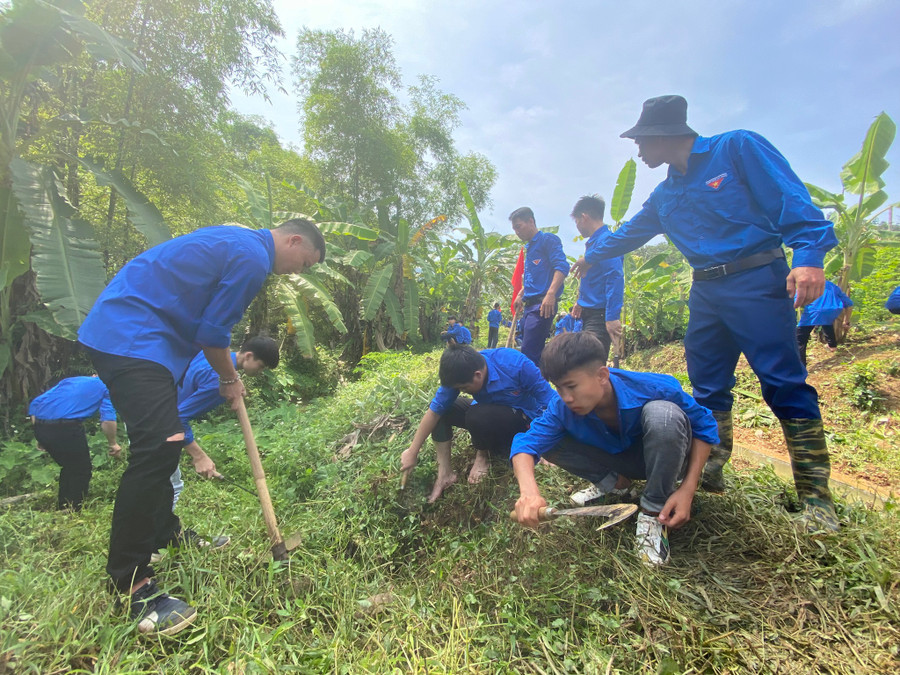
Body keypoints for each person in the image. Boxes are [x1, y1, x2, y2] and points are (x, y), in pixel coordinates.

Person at [571, 95, 840, 532]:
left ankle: (816, 500)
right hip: (706, 293)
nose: (638, 151)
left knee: (783, 381)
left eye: (640, 141)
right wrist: (590, 255)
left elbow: (791, 201)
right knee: (709, 386)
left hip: (756, 279)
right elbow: (627, 235)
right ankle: (710, 471)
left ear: (663, 135)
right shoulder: (664, 195)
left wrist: (809, 256)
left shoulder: (736, 148)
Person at [78, 218, 325, 635]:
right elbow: (213, 334)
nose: (297, 271)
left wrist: (228, 377)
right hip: (133, 334)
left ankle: (165, 533)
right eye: (304, 262)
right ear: (294, 240)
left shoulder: (239, 241)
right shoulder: (252, 257)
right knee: (162, 444)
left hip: (142, 338)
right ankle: (131, 584)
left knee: (165, 444)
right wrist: (229, 378)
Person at [510, 333, 718, 566]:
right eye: (559, 388)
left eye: (572, 386)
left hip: (663, 459)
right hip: (618, 459)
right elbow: (525, 445)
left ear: (601, 375)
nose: (566, 397)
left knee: (663, 414)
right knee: (549, 440)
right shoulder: (561, 408)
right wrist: (529, 493)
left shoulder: (654, 387)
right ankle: (616, 484)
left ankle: (653, 511)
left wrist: (688, 489)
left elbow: (706, 426)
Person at [153, 336, 281, 562]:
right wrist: (198, 455)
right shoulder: (217, 381)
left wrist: (234, 380)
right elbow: (177, 418)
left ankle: (163, 537)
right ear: (248, 356)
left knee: (163, 485)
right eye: (261, 366)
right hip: (158, 427)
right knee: (167, 487)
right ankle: (155, 546)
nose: (260, 372)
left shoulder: (213, 358)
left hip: (152, 412)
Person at [400, 344, 556, 502]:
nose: (462, 391)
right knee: (445, 411)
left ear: (478, 375)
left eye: (464, 388)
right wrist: (412, 451)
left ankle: (482, 455)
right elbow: (435, 411)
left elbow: (551, 402)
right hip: (487, 412)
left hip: (521, 418)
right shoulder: (460, 371)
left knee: (477, 415)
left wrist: (542, 444)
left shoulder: (515, 364)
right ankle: (445, 473)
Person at [28, 375, 121, 511]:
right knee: (81, 470)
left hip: (40, 425)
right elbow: (108, 420)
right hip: (66, 428)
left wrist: (41, 436)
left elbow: (36, 403)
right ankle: (74, 509)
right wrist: (113, 443)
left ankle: (64, 506)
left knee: (69, 466)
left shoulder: (72, 380)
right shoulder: (108, 386)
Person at [570, 195, 625, 368]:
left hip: (599, 316)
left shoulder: (606, 241)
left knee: (589, 366)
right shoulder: (595, 243)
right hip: (589, 313)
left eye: (576, 221)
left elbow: (614, 277)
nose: (577, 227)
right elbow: (595, 278)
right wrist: (580, 301)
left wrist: (612, 317)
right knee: (584, 363)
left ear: (584, 217)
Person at [509, 207, 570, 365]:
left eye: (518, 226)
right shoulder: (529, 248)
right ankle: (540, 378)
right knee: (530, 351)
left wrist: (550, 294)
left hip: (542, 306)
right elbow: (533, 279)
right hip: (529, 307)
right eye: (514, 229)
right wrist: (520, 295)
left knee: (529, 353)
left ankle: (535, 380)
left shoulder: (547, 240)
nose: (517, 232)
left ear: (531, 221)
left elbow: (562, 267)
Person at [797, 281, 853, 365]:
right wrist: (846, 321)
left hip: (814, 311)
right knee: (826, 321)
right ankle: (832, 345)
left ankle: (801, 366)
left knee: (799, 339)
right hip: (832, 310)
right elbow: (849, 304)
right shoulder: (832, 285)